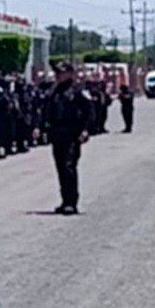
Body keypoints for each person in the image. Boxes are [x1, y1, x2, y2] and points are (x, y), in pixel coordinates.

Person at [43, 62, 93, 215]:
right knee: (60, 168)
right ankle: (65, 201)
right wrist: (43, 128)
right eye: (57, 72)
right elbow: (47, 111)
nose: (58, 75)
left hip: (72, 134)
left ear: (70, 74)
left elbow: (89, 112)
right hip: (57, 134)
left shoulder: (78, 91)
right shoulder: (53, 91)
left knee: (69, 167)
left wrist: (85, 130)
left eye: (62, 72)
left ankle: (72, 202)